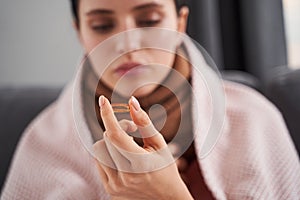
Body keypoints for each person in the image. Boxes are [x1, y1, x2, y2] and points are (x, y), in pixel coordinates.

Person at [1, 0, 300, 199]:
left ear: (180, 23)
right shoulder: (44, 141)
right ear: (79, 31)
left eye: (149, 19)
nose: (128, 43)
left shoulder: (254, 118)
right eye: (103, 26)